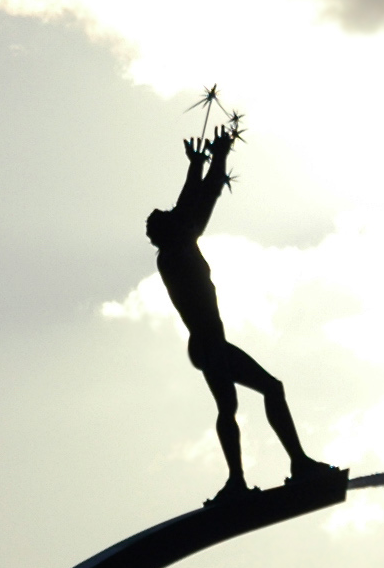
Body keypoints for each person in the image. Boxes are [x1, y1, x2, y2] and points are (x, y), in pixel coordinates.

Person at [146, 128, 344, 500]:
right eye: (170, 219)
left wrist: (207, 161)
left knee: (258, 395)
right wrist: (206, 163)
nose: (178, 217)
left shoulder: (178, 245)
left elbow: (195, 202)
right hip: (208, 344)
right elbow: (197, 202)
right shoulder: (175, 253)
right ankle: (246, 478)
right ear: (166, 232)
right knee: (241, 401)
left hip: (211, 343)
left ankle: (279, 468)